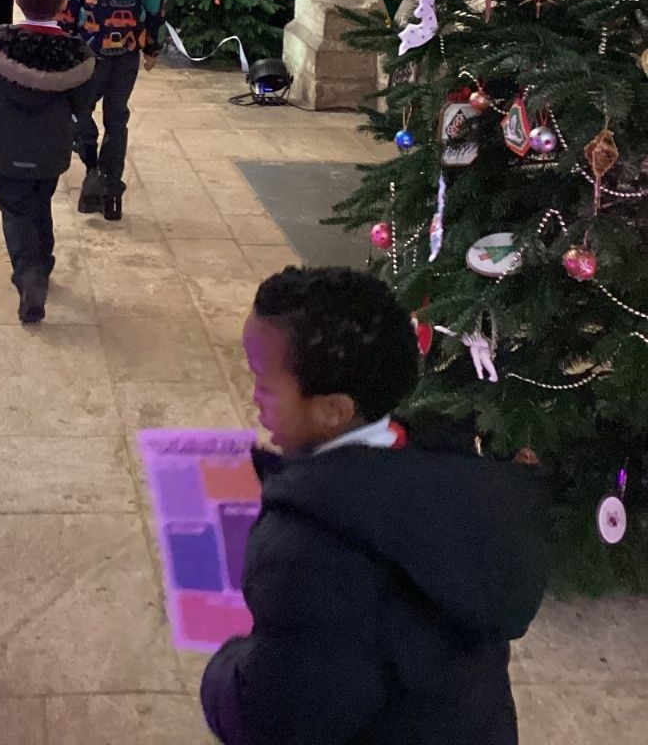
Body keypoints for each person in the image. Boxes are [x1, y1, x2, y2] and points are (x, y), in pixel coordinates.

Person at [200, 266, 549, 745]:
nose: (254, 398)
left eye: (263, 382)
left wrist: (224, 671)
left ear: (334, 410)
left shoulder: (307, 555)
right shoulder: (448, 469)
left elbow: (274, 718)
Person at [0, 0, 94, 323]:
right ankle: (42, 262)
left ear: (18, 1)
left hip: (5, 144)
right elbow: (82, 103)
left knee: (15, 209)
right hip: (52, 147)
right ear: (63, 5)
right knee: (40, 201)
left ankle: (30, 276)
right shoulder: (75, 54)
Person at [59, 0, 166, 221]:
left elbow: (72, 0)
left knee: (81, 110)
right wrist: (153, 46)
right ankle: (111, 184)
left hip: (87, 47)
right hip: (128, 49)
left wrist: (64, 38)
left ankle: (91, 168)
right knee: (117, 117)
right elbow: (155, 3)